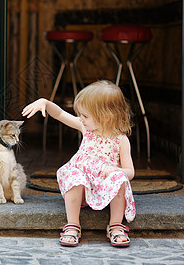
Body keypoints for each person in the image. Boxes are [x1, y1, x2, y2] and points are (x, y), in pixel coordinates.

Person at [22, 80, 136, 247]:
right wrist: (45, 103)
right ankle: (73, 225)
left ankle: (115, 225)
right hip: (82, 189)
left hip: (104, 189)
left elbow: (130, 172)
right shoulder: (86, 129)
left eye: (85, 116)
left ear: (105, 116)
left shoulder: (121, 140)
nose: (81, 119)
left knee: (119, 179)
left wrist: (115, 171)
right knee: (74, 175)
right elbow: (61, 114)